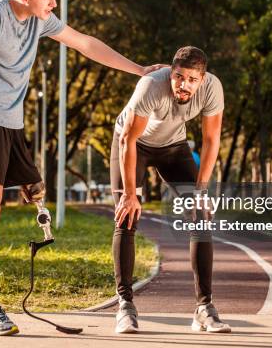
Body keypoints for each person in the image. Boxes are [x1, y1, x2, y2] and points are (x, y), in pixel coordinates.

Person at [0, 0, 164, 336]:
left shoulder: (40, 21)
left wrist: (139, 70)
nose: (54, 2)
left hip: (11, 123)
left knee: (31, 192)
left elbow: (85, 43)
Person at [110, 46, 230, 334]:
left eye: (191, 79)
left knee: (201, 217)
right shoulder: (151, 84)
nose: (183, 84)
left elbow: (212, 140)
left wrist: (201, 190)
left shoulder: (213, 88)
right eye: (178, 76)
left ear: (202, 79)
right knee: (127, 216)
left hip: (173, 147)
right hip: (132, 145)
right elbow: (128, 138)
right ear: (171, 72)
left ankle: (204, 308)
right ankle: (125, 305)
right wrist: (129, 194)